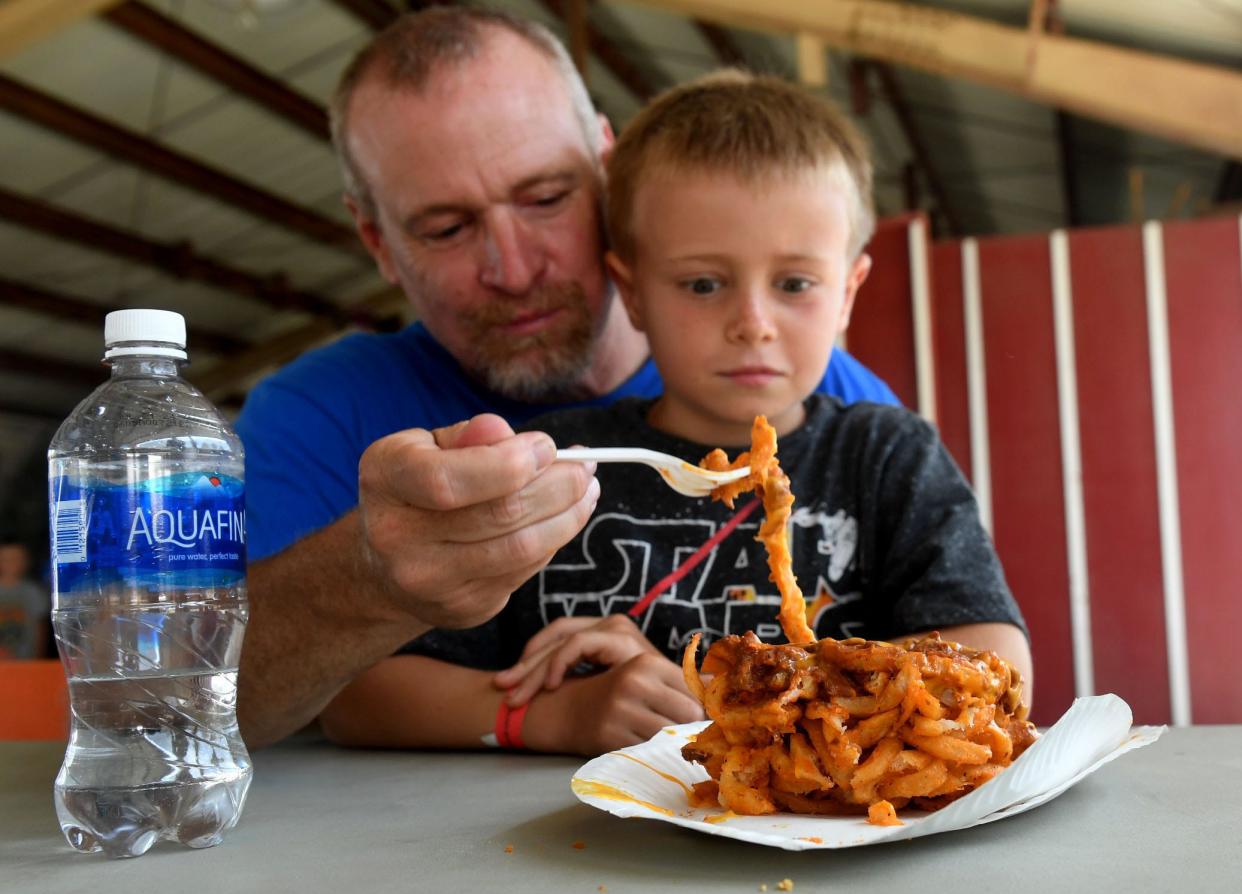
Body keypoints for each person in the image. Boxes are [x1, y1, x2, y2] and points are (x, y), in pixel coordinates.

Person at [233, 8, 898, 748]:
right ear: (377, 242)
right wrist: (368, 576)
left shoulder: (827, 402)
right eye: (447, 229)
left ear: (608, 168)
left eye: (547, 198)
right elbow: (175, 702)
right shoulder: (316, 416)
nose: (514, 270)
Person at [316, 71, 1033, 756]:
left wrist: (720, 689)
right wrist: (553, 714)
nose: (752, 322)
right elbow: (361, 694)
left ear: (847, 291)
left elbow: (999, 665)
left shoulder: (886, 453)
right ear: (631, 291)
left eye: (794, 282)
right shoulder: (557, 465)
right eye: (702, 283)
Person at [0, 539, 50, 660]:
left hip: (26, 661)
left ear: (26, 561)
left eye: (16, 559)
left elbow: (40, 630)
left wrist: (38, 657)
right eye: (7, 559)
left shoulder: (34, 592)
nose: (12, 564)